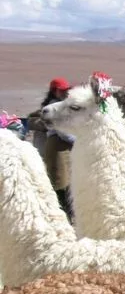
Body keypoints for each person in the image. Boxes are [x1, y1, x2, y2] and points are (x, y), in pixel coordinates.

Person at [27, 77, 75, 221]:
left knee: (63, 181)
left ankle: (64, 213)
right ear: (54, 91)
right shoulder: (54, 107)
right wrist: (79, 141)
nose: (65, 92)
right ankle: (64, 215)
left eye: (66, 90)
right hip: (58, 147)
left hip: (62, 146)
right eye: (62, 90)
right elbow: (62, 130)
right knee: (61, 181)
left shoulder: (55, 105)